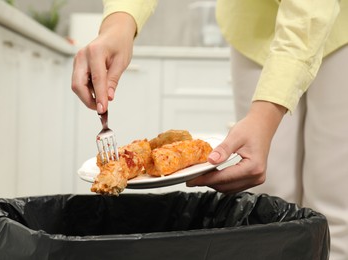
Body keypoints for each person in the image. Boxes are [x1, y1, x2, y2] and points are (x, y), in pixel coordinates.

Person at [71, 0, 348, 259]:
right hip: (252, 28)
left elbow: (310, 10)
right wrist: (119, 23)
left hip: (337, 29)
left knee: (333, 199)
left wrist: (265, 116)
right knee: (269, 197)